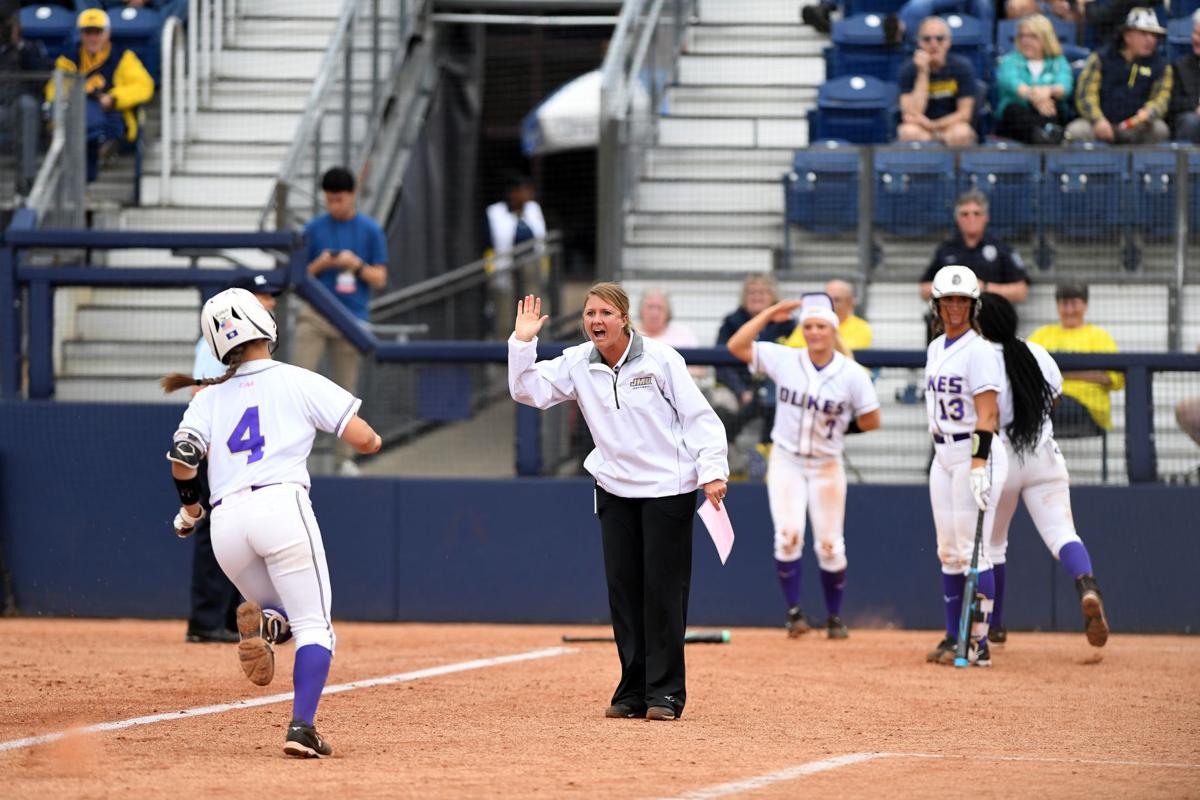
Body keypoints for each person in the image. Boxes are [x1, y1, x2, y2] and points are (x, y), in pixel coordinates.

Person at [160, 287, 383, 757]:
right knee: (316, 625)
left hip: (225, 526)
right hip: (281, 507)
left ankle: (268, 624)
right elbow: (366, 441)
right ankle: (302, 727)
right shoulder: (297, 379)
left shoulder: (208, 396)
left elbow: (183, 459)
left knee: (284, 614)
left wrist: (190, 510)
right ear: (265, 329)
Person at [509, 285, 728, 722]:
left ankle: (664, 694)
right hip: (613, 489)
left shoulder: (663, 359)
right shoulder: (576, 362)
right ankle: (632, 690)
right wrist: (522, 341)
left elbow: (699, 417)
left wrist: (713, 470)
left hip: (669, 488)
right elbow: (527, 390)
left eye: (605, 312)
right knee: (624, 593)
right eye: (590, 313)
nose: (596, 320)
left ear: (624, 318)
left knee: (663, 593)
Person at [727, 293, 880, 639]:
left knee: (830, 545)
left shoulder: (851, 373)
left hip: (826, 463)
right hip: (787, 460)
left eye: (820, 326)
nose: (813, 332)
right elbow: (737, 346)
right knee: (787, 537)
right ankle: (794, 613)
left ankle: (834, 617)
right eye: (808, 326)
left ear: (833, 330)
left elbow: (872, 418)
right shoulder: (787, 359)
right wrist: (768, 314)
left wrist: (843, 427)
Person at [976, 293, 1110, 648]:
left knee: (992, 547)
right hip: (1042, 454)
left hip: (999, 459)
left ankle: (995, 626)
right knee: (1063, 534)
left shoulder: (978, 358)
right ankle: (1087, 586)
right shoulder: (1036, 352)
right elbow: (1055, 399)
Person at [183, 274, 281, 644]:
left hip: (241, 454)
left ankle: (224, 619)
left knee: (239, 531)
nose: (270, 302)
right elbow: (199, 392)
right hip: (220, 451)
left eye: (270, 296)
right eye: (262, 296)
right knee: (214, 531)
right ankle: (206, 621)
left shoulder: (251, 342)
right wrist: (208, 448)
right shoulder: (219, 340)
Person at [923, 265, 1008, 668]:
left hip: (974, 453)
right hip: (942, 456)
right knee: (948, 551)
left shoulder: (980, 350)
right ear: (937, 305)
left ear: (973, 306)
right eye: (947, 300)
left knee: (974, 551)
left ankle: (979, 641)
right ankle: (952, 635)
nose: (954, 307)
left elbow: (987, 414)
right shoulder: (936, 347)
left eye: (962, 301)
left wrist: (978, 464)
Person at [293, 166, 388, 476]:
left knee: (345, 389)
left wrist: (355, 264)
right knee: (297, 383)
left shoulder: (370, 230)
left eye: (339, 200)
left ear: (352, 195)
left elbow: (379, 278)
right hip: (316, 314)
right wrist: (321, 263)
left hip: (351, 318)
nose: (334, 206)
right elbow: (297, 278)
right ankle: (292, 455)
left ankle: (343, 459)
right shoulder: (314, 229)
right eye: (329, 200)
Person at [44, 7, 153, 182]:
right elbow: (53, 88)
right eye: (88, 33)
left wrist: (114, 98)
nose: (93, 38)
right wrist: (66, 96)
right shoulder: (69, 58)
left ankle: (101, 150)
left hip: (110, 116)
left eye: (97, 32)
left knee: (102, 118)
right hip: (78, 116)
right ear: (81, 34)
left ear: (107, 33)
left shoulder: (122, 57)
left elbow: (144, 86)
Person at [714, 274, 797, 458]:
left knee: (775, 398)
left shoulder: (788, 324)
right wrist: (741, 390)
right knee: (720, 401)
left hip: (773, 387)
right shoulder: (731, 322)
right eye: (751, 292)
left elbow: (793, 363)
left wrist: (762, 389)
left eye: (762, 292)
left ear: (774, 296)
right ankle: (728, 462)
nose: (756, 296)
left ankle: (767, 453)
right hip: (737, 386)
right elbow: (721, 362)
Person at [1028, 282, 1123, 436]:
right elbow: (1024, 366)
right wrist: (1086, 373)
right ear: (1057, 306)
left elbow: (1115, 379)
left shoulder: (1099, 336)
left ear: (1085, 305)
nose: (1069, 310)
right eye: (1064, 304)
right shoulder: (1042, 334)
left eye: (1074, 304)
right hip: (1049, 401)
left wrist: (1057, 374)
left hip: (1087, 409)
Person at [1066, 7, 1171, 145]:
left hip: (1137, 126)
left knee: (1159, 129)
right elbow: (1085, 94)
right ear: (1127, 36)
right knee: (1076, 131)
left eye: (1154, 35)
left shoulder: (1161, 66)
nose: (1150, 40)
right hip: (1101, 124)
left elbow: (1162, 98)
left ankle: (1143, 166)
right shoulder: (1101, 58)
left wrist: (1149, 113)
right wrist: (1097, 120)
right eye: (1144, 33)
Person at [896, 16, 978, 148]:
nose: (933, 44)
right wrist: (923, 72)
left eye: (939, 38)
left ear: (948, 42)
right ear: (919, 43)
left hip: (950, 126)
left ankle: (957, 169)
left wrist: (934, 125)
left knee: (961, 133)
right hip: (922, 129)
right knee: (908, 132)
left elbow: (964, 114)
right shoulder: (909, 69)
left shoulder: (962, 67)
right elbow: (910, 113)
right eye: (927, 39)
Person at [995, 14, 1074, 145]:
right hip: (1016, 120)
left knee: (1053, 107)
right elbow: (1012, 83)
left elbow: (1065, 87)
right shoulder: (1009, 61)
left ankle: (1044, 136)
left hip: (1049, 114)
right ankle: (1045, 136)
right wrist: (1036, 97)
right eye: (1022, 36)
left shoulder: (1058, 62)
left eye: (1032, 36)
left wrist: (1048, 91)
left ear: (1045, 38)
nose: (1025, 41)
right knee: (1014, 109)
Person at [486, 172, 546, 339]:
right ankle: (503, 356)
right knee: (505, 316)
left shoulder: (533, 209)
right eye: (523, 190)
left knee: (534, 310)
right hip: (505, 269)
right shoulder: (495, 212)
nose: (527, 194)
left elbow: (540, 239)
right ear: (512, 193)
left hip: (531, 268)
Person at [0, 0, 49, 196]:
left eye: (5, 24)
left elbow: (43, 76)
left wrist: (18, 44)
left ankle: (26, 181)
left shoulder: (30, 48)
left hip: (18, 107)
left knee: (28, 106)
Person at [783, 279, 873, 353]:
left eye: (836, 300)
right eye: (828, 299)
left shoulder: (861, 327)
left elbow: (845, 354)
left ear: (850, 303)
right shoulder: (810, 323)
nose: (831, 304)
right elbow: (791, 350)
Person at [1168, 10, 1200, 143]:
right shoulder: (1180, 67)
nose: (1196, 39)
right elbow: (1172, 103)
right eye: (1195, 33)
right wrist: (1195, 107)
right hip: (1191, 118)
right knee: (1191, 121)